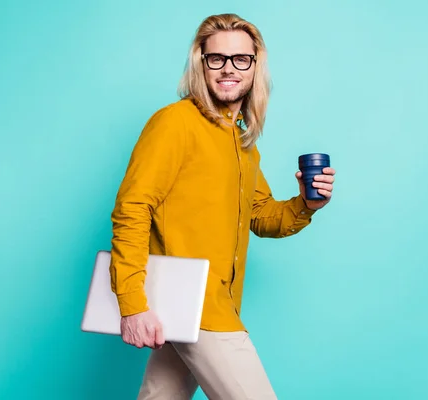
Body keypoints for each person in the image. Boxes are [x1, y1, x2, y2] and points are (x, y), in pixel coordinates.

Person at [109, 13, 336, 400]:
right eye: (217, 58)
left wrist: (307, 203)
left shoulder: (242, 142)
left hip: (199, 305)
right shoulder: (174, 123)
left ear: (254, 67)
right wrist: (131, 304)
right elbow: (132, 209)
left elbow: (262, 217)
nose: (229, 69)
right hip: (198, 308)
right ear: (201, 63)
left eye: (240, 59)